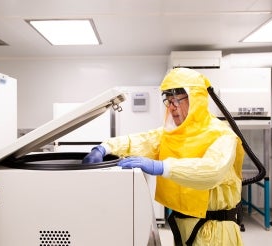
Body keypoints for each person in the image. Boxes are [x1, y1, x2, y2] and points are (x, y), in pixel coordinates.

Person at [82, 67, 244, 246]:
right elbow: (141, 140)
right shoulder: (173, 134)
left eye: (177, 100)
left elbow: (211, 171)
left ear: (196, 99)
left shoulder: (222, 135)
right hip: (183, 225)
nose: (172, 107)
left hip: (215, 232)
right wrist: (104, 148)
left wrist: (162, 167)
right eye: (168, 101)